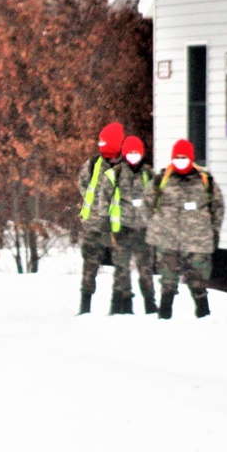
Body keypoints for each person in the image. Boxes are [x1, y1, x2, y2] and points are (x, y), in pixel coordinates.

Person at [144, 139, 225, 319]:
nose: (181, 160)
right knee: (168, 281)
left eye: (184, 157)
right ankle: (165, 316)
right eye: (177, 157)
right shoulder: (161, 179)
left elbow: (217, 207)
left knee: (198, 281)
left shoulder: (205, 180)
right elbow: (147, 204)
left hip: (197, 241)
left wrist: (212, 231)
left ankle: (204, 316)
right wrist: (156, 226)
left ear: (191, 158)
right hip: (167, 240)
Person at [77, 122, 126, 315]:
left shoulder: (127, 168)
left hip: (118, 227)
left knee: (121, 267)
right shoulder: (92, 165)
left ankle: (117, 308)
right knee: (89, 267)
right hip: (94, 227)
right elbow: (83, 186)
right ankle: (85, 306)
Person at [116, 136, 158, 314]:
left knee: (146, 269)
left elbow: (158, 200)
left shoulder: (149, 175)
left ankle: (150, 304)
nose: (134, 155)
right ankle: (124, 305)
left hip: (143, 230)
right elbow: (106, 198)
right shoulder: (116, 174)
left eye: (136, 152)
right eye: (130, 152)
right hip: (123, 228)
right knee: (121, 269)